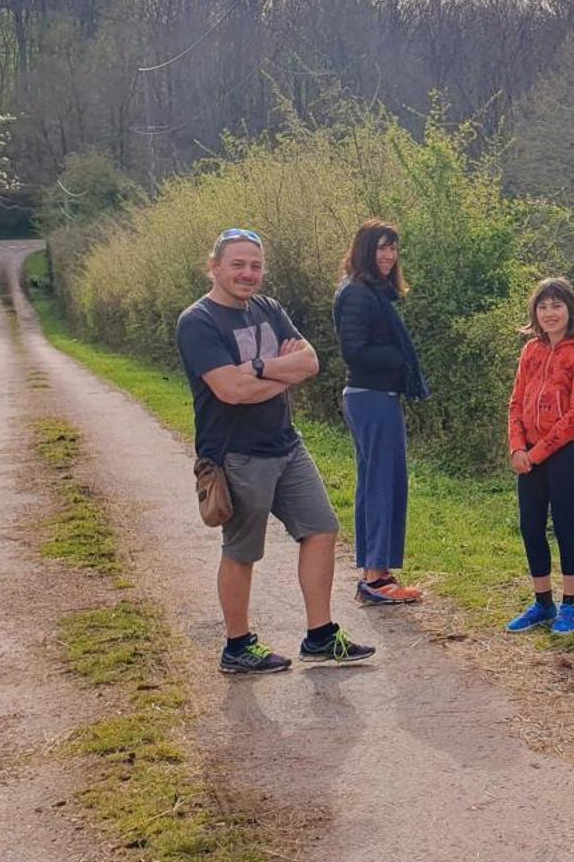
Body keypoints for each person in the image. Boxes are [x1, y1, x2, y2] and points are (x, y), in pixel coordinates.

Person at [176, 227, 375, 675]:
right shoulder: (199, 321)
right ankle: (238, 646)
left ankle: (321, 637)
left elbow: (310, 362)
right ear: (214, 267)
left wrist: (262, 368)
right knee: (242, 550)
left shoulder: (268, 308)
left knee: (322, 528)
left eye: (256, 265)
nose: (248, 274)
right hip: (235, 454)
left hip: (286, 443)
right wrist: (283, 375)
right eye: (238, 265)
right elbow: (231, 390)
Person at [334, 219, 430, 606]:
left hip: (374, 396)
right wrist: (399, 358)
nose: (389, 256)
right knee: (381, 482)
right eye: (381, 248)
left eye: (393, 248)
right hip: (371, 396)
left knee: (380, 481)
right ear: (364, 251)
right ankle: (375, 579)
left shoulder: (373, 292)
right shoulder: (357, 293)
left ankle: (377, 572)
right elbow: (354, 351)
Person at [505, 277, 574, 635]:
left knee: (563, 524)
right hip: (527, 455)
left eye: (556, 306)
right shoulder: (531, 350)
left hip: (567, 453)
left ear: (570, 310)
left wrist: (538, 453)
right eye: (543, 307)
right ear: (535, 312)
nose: (549, 313)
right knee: (531, 526)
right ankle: (543, 603)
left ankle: (571, 607)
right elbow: (516, 402)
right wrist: (517, 447)